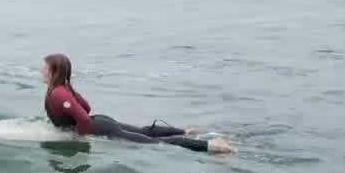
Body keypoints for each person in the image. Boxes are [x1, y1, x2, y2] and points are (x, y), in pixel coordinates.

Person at [41, 54, 235, 154]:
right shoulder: (63, 89)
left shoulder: (58, 93)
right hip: (101, 122)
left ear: (54, 72)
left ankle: (212, 146)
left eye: (45, 68)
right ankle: (187, 132)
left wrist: (83, 140)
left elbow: (83, 118)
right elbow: (86, 107)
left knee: (154, 142)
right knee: (144, 131)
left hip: (101, 128)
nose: (42, 71)